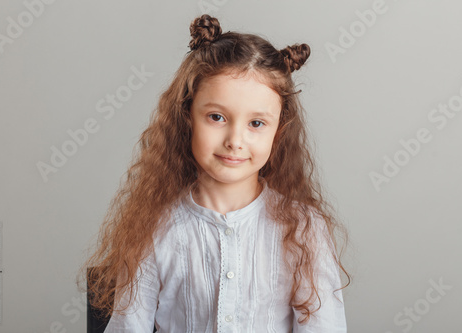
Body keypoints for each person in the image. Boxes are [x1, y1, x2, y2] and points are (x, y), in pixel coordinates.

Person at [78, 13, 351, 333]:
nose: (235, 141)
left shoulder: (304, 230)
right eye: (217, 117)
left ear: (279, 131)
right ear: (187, 116)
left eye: (256, 123)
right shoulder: (154, 227)